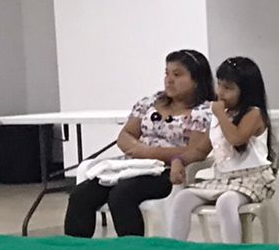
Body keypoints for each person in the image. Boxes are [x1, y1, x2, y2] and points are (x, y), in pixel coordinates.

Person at [64, 50, 214, 239]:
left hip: (168, 171)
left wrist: (149, 152)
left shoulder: (203, 112)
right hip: (134, 165)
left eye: (177, 75)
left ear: (197, 80)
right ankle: (76, 249)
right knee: (81, 194)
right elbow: (125, 136)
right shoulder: (150, 102)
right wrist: (140, 151)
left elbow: (195, 151)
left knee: (121, 195)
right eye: (167, 73)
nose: (169, 80)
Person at [164, 56, 276, 244]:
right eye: (219, 85)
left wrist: (219, 115)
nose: (220, 93)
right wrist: (179, 160)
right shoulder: (221, 114)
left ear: (246, 90)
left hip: (252, 179)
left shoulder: (254, 113)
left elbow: (236, 138)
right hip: (222, 178)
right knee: (182, 198)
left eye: (228, 88)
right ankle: (174, 248)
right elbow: (200, 150)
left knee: (226, 202)